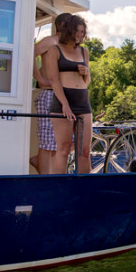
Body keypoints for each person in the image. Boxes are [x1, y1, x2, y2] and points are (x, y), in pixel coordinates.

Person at [45, 14, 92, 174]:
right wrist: (65, 104)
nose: (80, 35)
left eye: (82, 32)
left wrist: (86, 72)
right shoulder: (54, 50)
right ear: (69, 31)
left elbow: (87, 82)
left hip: (83, 101)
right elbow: (54, 80)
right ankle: (59, 189)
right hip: (62, 101)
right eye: (77, 31)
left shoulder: (84, 52)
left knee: (84, 151)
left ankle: (85, 190)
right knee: (63, 149)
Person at [30, 12, 71, 174]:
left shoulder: (67, 47)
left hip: (63, 97)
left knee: (68, 141)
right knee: (46, 144)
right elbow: (30, 54)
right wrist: (39, 78)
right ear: (61, 26)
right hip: (48, 94)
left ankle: (37, 161)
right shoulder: (50, 41)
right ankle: (45, 180)